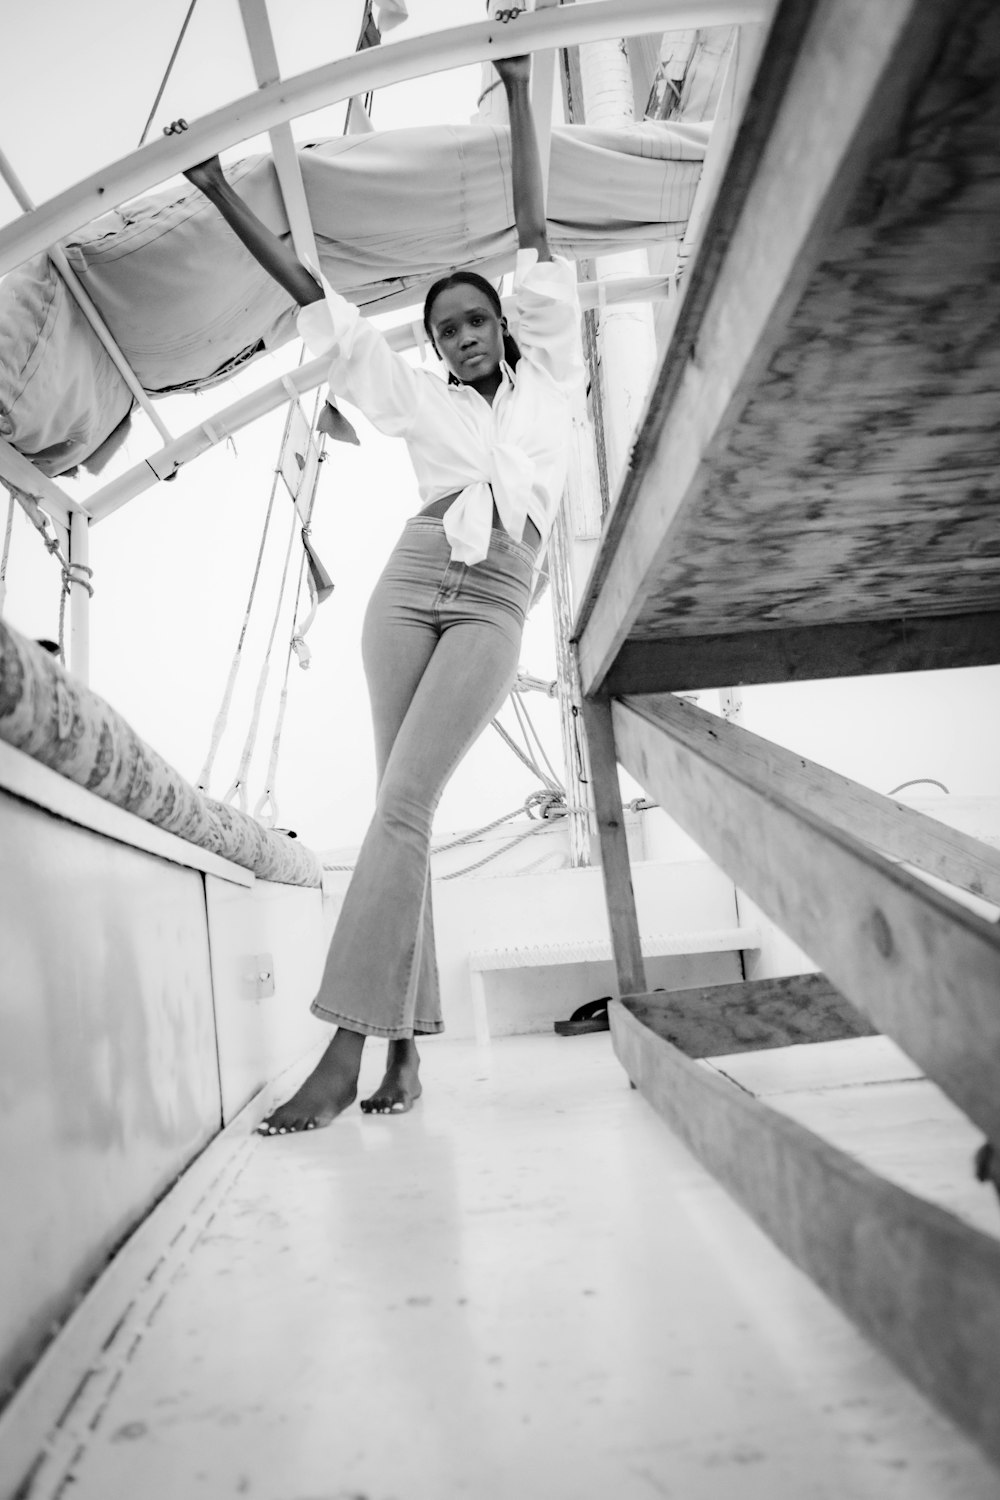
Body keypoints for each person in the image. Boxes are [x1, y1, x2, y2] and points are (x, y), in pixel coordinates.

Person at [173, 29, 583, 1135]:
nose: (458, 337)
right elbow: (321, 305)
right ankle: (402, 1059)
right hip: (410, 584)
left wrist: (514, 83)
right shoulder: (416, 399)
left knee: (402, 810)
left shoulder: (552, 374)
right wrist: (218, 191)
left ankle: (341, 1053)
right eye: (443, 329)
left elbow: (535, 232)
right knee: (399, 816)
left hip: (498, 593)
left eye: (472, 319)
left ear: (500, 321)